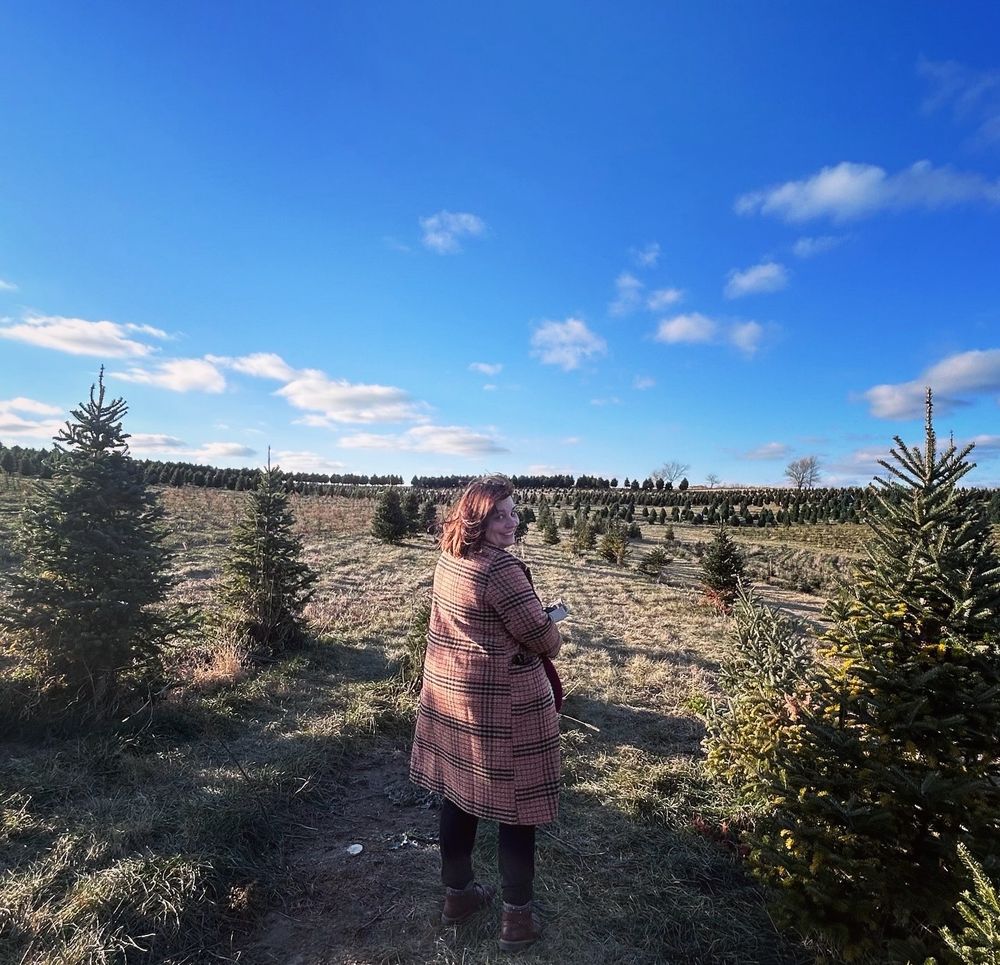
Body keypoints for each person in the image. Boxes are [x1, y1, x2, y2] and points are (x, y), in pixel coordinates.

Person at [409, 474, 564, 952]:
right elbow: (542, 638)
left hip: (454, 700)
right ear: (476, 519)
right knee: (518, 811)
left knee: (459, 796)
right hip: (506, 707)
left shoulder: (450, 558)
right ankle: (516, 920)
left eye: (514, 512)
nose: (512, 522)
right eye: (500, 515)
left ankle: (457, 898)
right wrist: (552, 627)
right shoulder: (501, 570)